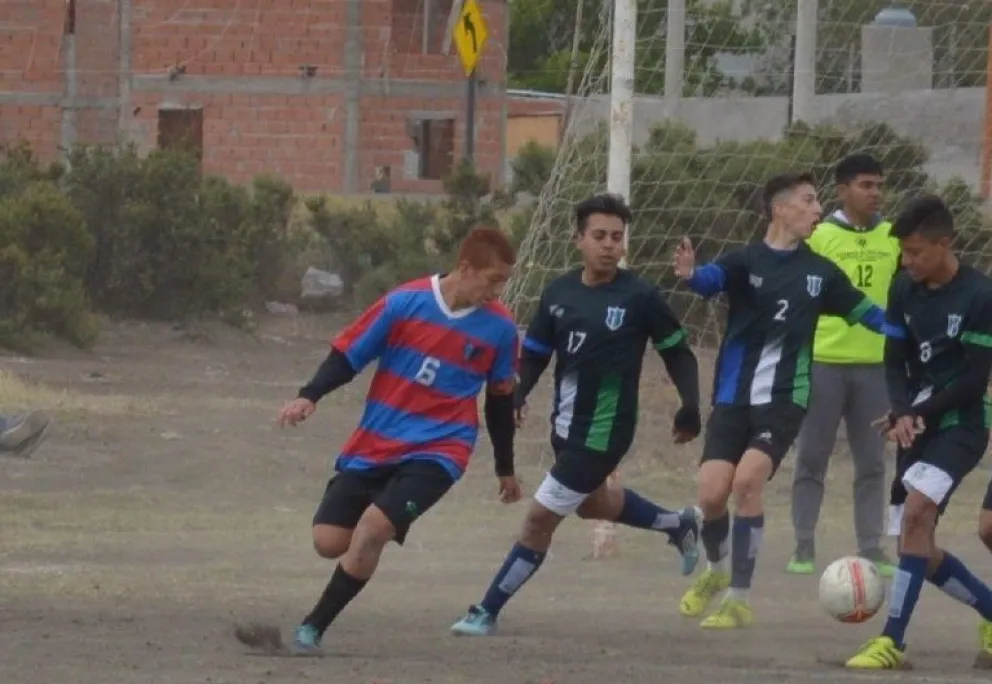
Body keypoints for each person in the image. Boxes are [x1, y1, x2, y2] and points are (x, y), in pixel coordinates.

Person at [235, 226, 523, 656]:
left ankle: (310, 630)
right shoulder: (406, 302)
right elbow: (349, 354)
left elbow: (500, 402)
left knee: (374, 528)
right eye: (493, 279)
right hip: (375, 444)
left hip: (442, 449)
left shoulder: (500, 328)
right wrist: (309, 395)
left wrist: (505, 467)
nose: (498, 290)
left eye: (504, 281)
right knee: (328, 542)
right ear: (466, 268)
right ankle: (350, 568)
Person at [448, 193, 704, 637]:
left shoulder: (641, 296)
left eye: (617, 237)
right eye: (600, 236)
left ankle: (486, 610)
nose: (609, 245)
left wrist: (690, 405)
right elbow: (534, 355)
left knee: (539, 518)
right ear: (578, 239)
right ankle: (677, 524)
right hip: (565, 427)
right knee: (593, 504)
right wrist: (518, 393)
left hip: (606, 430)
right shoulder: (559, 293)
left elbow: (679, 353)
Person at [672, 172, 887, 630]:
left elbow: (869, 315)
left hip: (786, 399)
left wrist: (914, 329)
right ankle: (715, 574)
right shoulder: (745, 260)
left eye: (817, 202)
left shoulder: (820, 272)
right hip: (732, 399)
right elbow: (712, 280)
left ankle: (740, 600)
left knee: (747, 482)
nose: (816, 210)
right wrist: (693, 275)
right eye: (808, 202)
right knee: (711, 494)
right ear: (779, 209)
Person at [845, 195, 992, 670]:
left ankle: (892, 642)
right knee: (917, 546)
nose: (906, 262)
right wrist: (902, 410)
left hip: (961, 424)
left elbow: (972, 382)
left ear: (944, 244)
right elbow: (894, 358)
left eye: (914, 252)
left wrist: (918, 411)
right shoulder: (902, 289)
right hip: (918, 424)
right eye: (903, 253)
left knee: (916, 513)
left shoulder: (980, 296)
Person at [788, 154, 900, 577]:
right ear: (842, 190)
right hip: (822, 363)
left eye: (878, 185)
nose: (875, 193)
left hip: (876, 368)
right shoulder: (819, 237)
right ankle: (802, 545)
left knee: (872, 462)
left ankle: (871, 546)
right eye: (866, 185)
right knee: (811, 457)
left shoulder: (893, 237)